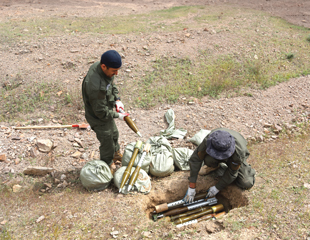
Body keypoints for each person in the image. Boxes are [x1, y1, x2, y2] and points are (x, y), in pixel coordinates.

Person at [82, 50, 129, 172]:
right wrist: (118, 115)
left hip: (105, 109)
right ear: (104, 66)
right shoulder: (95, 86)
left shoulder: (103, 68)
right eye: (114, 71)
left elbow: (110, 84)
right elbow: (101, 113)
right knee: (107, 139)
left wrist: (117, 100)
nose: (116, 74)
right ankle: (107, 165)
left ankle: (115, 154)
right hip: (97, 116)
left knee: (114, 133)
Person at [183, 127, 256, 203]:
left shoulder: (239, 152)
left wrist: (217, 188)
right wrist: (191, 186)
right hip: (220, 147)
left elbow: (232, 173)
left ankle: (245, 170)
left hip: (233, 157)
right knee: (209, 160)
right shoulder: (209, 140)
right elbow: (195, 160)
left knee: (246, 183)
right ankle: (214, 167)